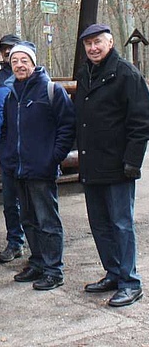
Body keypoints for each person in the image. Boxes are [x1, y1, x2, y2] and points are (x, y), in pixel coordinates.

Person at [75, 24, 149, 307]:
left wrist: (132, 160)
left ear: (110, 42)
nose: (93, 48)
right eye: (88, 44)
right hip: (92, 163)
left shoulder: (126, 74)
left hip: (119, 166)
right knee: (100, 224)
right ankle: (114, 272)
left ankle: (130, 282)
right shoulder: (85, 74)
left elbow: (141, 121)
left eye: (98, 42)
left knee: (121, 224)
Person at [0, 41, 75, 291]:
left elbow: (67, 126)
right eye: (15, 62)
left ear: (33, 62)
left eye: (24, 61)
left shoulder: (51, 91)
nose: (19, 65)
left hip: (41, 169)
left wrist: (54, 157)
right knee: (28, 219)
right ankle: (38, 262)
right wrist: (8, 156)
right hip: (18, 169)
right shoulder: (12, 95)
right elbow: (7, 129)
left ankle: (54, 269)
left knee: (47, 221)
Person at [0, 34, 25, 263]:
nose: (7, 52)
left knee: (33, 201)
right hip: (6, 148)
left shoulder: (33, 73)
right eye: (4, 50)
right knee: (10, 201)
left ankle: (41, 248)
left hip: (31, 149)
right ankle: (15, 242)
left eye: (11, 48)